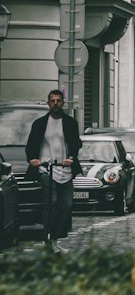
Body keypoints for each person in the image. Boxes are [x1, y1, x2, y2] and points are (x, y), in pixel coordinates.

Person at [25, 89, 82, 243]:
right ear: (48, 103)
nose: (55, 104)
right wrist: (32, 159)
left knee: (67, 205)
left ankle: (56, 236)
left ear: (63, 103)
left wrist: (71, 158)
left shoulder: (70, 122)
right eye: (52, 101)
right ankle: (48, 238)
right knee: (51, 202)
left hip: (65, 169)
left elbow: (76, 143)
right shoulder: (40, 124)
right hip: (46, 169)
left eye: (58, 101)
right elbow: (30, 146)